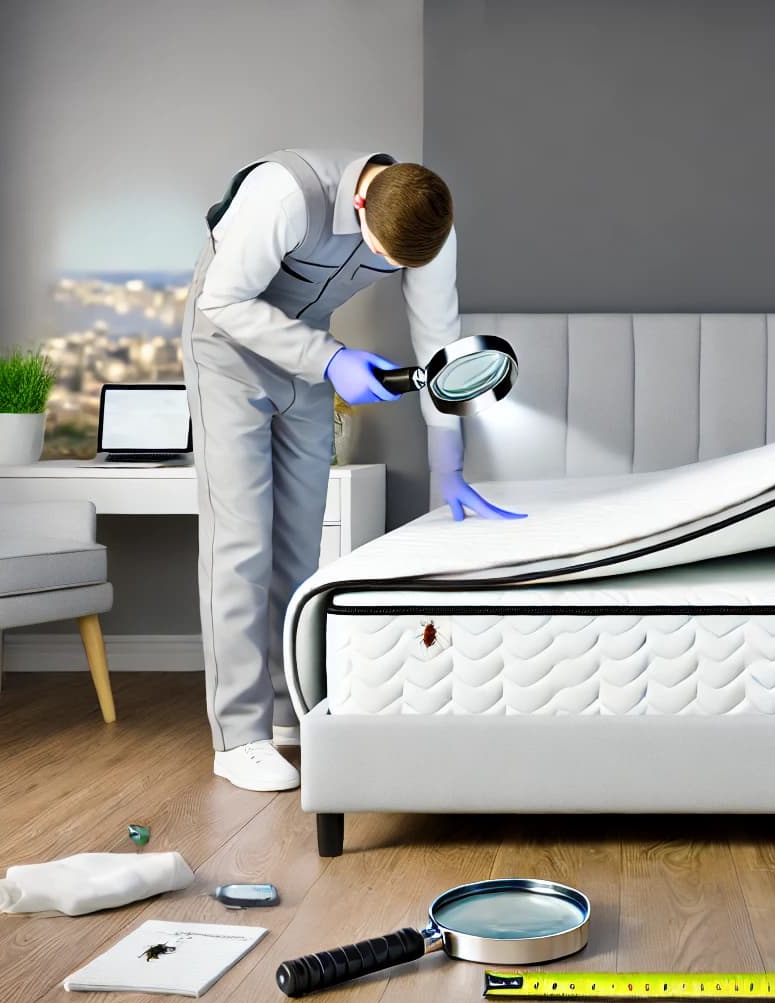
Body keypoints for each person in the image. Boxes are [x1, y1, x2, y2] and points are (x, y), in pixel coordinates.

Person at [181, 149, 522, 793]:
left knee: (299, 544)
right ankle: (240, 736)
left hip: (307, 359)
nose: (392, 272)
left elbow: (437, 339)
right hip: (226, 352)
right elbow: (221, 299)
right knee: (241, 543)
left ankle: (289, 714)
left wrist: (445, 459)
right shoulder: (283, 195)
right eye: (385, 259)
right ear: (361, 205)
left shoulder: (427, 225)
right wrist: (331, 357)